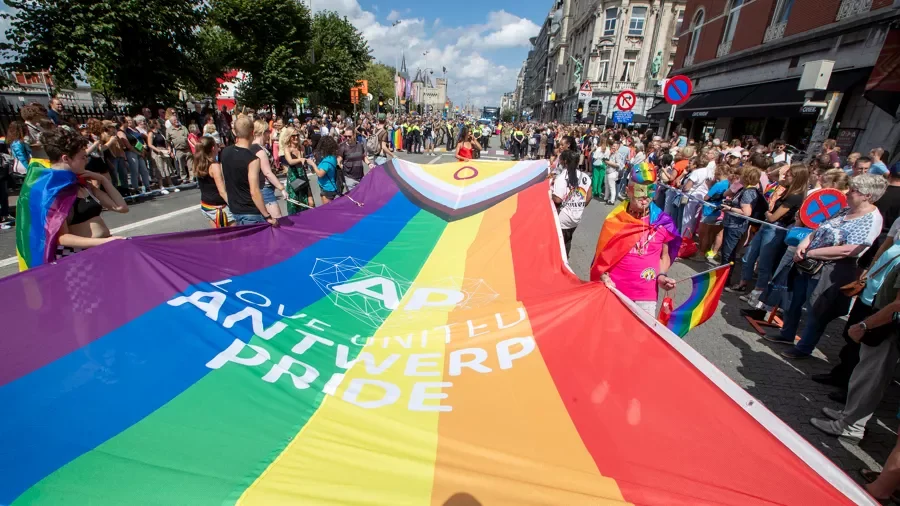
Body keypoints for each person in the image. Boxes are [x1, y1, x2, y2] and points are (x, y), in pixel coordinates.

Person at [768, 174, 886, 359]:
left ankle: (804, 348)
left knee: (817, 310)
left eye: (853, 190)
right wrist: (804, 244)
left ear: (867, 196)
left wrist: (812, 253)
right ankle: (786, 334)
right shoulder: (844, 210)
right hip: (807, 263)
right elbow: (819, 229)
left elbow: (850, 250)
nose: (847, 193)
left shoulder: (872, 219)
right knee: (793, 300)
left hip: (831, 270)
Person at [808, 259, 900, 444]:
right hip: (885, 325)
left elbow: (898, 305)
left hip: (888, 329)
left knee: (869, 379)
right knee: (864, 375)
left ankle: (850, 427)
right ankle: (849, 416)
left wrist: (865, 325)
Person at [592, 181, 680, 315]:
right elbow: (601, 258)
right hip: (615, 291)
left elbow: (664, 256)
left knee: (641, 330)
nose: (645, 197)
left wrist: (661, 276)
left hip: (646, 297)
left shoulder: (661, 222)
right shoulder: (616, 221)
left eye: (650, 190)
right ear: (628, 191)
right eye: (640, 191)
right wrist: (603, 276)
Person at [40, 127, 129, 255]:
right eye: (83, 157)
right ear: (66, 159)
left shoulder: (82, 184)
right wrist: (104, 241)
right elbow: (61, 237)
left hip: (103, 247)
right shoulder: (53, 191)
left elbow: (121, 207)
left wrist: (103, 179)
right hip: (82, 255)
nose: (86, 161)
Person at [737, 164, 810, 305]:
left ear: (796, 178)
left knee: (764, 263)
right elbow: (773, 175)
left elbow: (773, 217)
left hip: (775, 229)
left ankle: (758, 293)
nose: (785, 176)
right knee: (749, 255)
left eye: (789, 174)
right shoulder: (786, 189)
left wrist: (765, 209)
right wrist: (784, 170)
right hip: (766, 226)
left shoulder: (795, 196)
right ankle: (743, 284)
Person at [220, 115, 279, 227]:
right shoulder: (253, 159)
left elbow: (225, 179)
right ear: (252, 133)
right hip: (251, 212)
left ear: (234, 132)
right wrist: (267, 216)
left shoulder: (225, 152)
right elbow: (254, 191)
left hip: (234, 210)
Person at [719, 166, 762, 285]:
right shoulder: (747, 189)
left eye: (742, 175)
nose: (740, 177)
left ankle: (724, 280)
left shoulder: (748, 192)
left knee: (728, 254)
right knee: (727, 253)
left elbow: (746, 212)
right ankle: (723, 278)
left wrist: (730, 208)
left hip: (735, 225)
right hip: (733, 224)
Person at [552, 150, 591, 255]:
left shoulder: (561, 178)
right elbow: (589, 196)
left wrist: (551, 194)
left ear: (564, 161)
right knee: (568, 240)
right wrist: (579, 206)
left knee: (558, 243)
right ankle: (565, 259)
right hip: (576, 217)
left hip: (562, 218)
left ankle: (560, 262)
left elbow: (558, 200)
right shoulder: (585, 177)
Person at [250, 119, 285, 220]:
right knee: (277, 219)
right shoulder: (259, 150)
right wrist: (281, 188)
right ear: (263, 132)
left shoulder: (253, 147)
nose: (269, 134)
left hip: (262, 187)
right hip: (264, 188)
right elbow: (267, 172)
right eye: (268, 131)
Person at [194, 136, 231, 227]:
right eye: (216, 145)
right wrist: (234, 206)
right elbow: (222, 191)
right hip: (219, 208)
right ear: (213, 148)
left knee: (219, 234)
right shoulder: (214, 166)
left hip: (206, 205)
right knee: (233, 234)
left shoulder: (198, 163)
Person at [280, 127, 315, 214]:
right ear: (289, 137)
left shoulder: (301, 147)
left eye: (297, 135)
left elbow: (304, 162)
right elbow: (290, 161)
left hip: (302, 175)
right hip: (293, 177)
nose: (296, 137)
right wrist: (301, 159)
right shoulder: (287, 149)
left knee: (308, 202)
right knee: (294, 204)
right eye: (293, 135)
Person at [307, 135, 340, 204]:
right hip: (327, 186)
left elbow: (320, 174)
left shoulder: (327, 161)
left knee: (327, 209)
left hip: (327, 188)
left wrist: (313, 164)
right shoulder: (332, 157)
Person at [145, 119, 176, 193]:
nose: (160, 124)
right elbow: (150, 144)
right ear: (155, 125)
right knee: (159, 168)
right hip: (157, 153)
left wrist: (168, 149)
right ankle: (161, 186)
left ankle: (170, 184)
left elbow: (165, 142)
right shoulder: (151, 133)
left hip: (164, 151)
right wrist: (158, 150)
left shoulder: (160, 132)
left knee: (166, 167)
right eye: (158, 123)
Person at [338, 127, 370, 192]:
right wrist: (340, 165)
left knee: (362, 195)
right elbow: (339, 159)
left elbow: (363, 156)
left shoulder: (360, 145)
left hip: (360, 177)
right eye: (345, 136)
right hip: (349, 178)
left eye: (349, 136)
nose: (347, 138)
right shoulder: (342, 146)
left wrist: (369, 164)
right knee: (353, 197)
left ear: (354, 135)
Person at [166, 114, 191, 181]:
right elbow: (168, 141)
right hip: (178, 150)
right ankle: (184, 178)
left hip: (187, 148)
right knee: (181, 165)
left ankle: (192, 177)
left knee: (190, 164)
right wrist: (170, 151)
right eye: (174, 120)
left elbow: (189, 137)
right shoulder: (169, 130)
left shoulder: (183, 127)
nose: (176, 121)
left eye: (177, 119)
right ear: (171, 122)